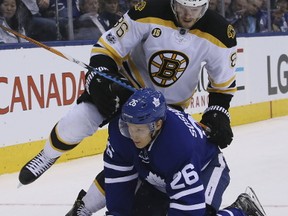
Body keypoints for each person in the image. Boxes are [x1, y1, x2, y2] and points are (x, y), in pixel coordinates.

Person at [18, 0, 237, 215]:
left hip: (168, 109)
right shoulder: (148, 10)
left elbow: (223, 84)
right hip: (126, 93)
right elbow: (107, 48)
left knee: (139, 162)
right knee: (77, 121)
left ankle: (85, 206)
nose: (188, 15)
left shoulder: (220, 32)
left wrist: (218, 111)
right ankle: (48, 155)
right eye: (182, 8)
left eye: (195, 10)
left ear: (206, 6)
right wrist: (101, 77)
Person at [102, 87, 266, 216]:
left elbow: (189, 208)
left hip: (206, 168)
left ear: (157, 125)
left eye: (139, 130)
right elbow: (117, 179)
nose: (133, 135)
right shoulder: (120, 133)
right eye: (130, 128)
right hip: (162, 177)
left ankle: (242, 210)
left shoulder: (178, 146)